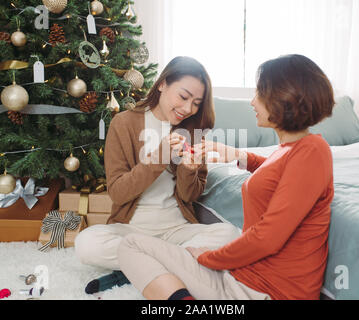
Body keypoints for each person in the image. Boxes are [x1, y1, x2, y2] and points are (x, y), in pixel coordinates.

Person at [115, 54, 335, 300]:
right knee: (132, 243)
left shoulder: (313, 151)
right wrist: (237, 155)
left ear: (284, 99)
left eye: (260, 94)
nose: (252, 102)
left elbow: (266, 239)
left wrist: (207, 258)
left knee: (134, 246)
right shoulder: (293, 150)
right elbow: (278, 172)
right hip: (242, 279)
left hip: (264, 292)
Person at [74, 56, 241, 293]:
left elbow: (190, 196)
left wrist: (188, 170)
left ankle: (140, 266)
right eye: (183, 97)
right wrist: (159, 157)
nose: (188, 109)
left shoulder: (192, 131)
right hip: (131, 230)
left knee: (229, 233)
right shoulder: (123, 124)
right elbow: (119, 193)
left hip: (176, 230)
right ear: (162, 84)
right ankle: (170, 264)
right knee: (86, 244)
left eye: (196, 103)